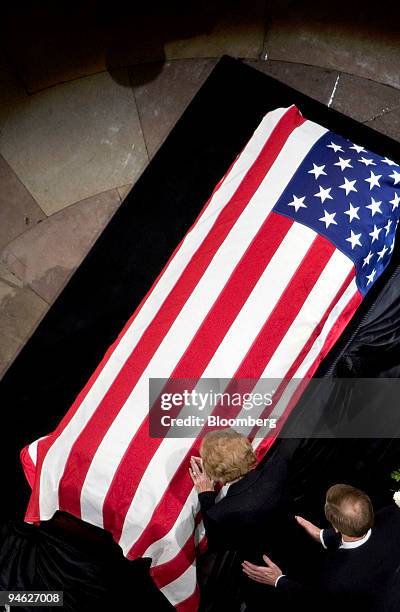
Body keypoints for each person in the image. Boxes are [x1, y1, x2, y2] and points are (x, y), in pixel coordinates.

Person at [242, 483, 400, 612]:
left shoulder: (334, 578)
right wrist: (323, 536)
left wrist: (278, 580)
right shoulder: (393, 515)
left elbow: (316, 600)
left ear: (335, 526)